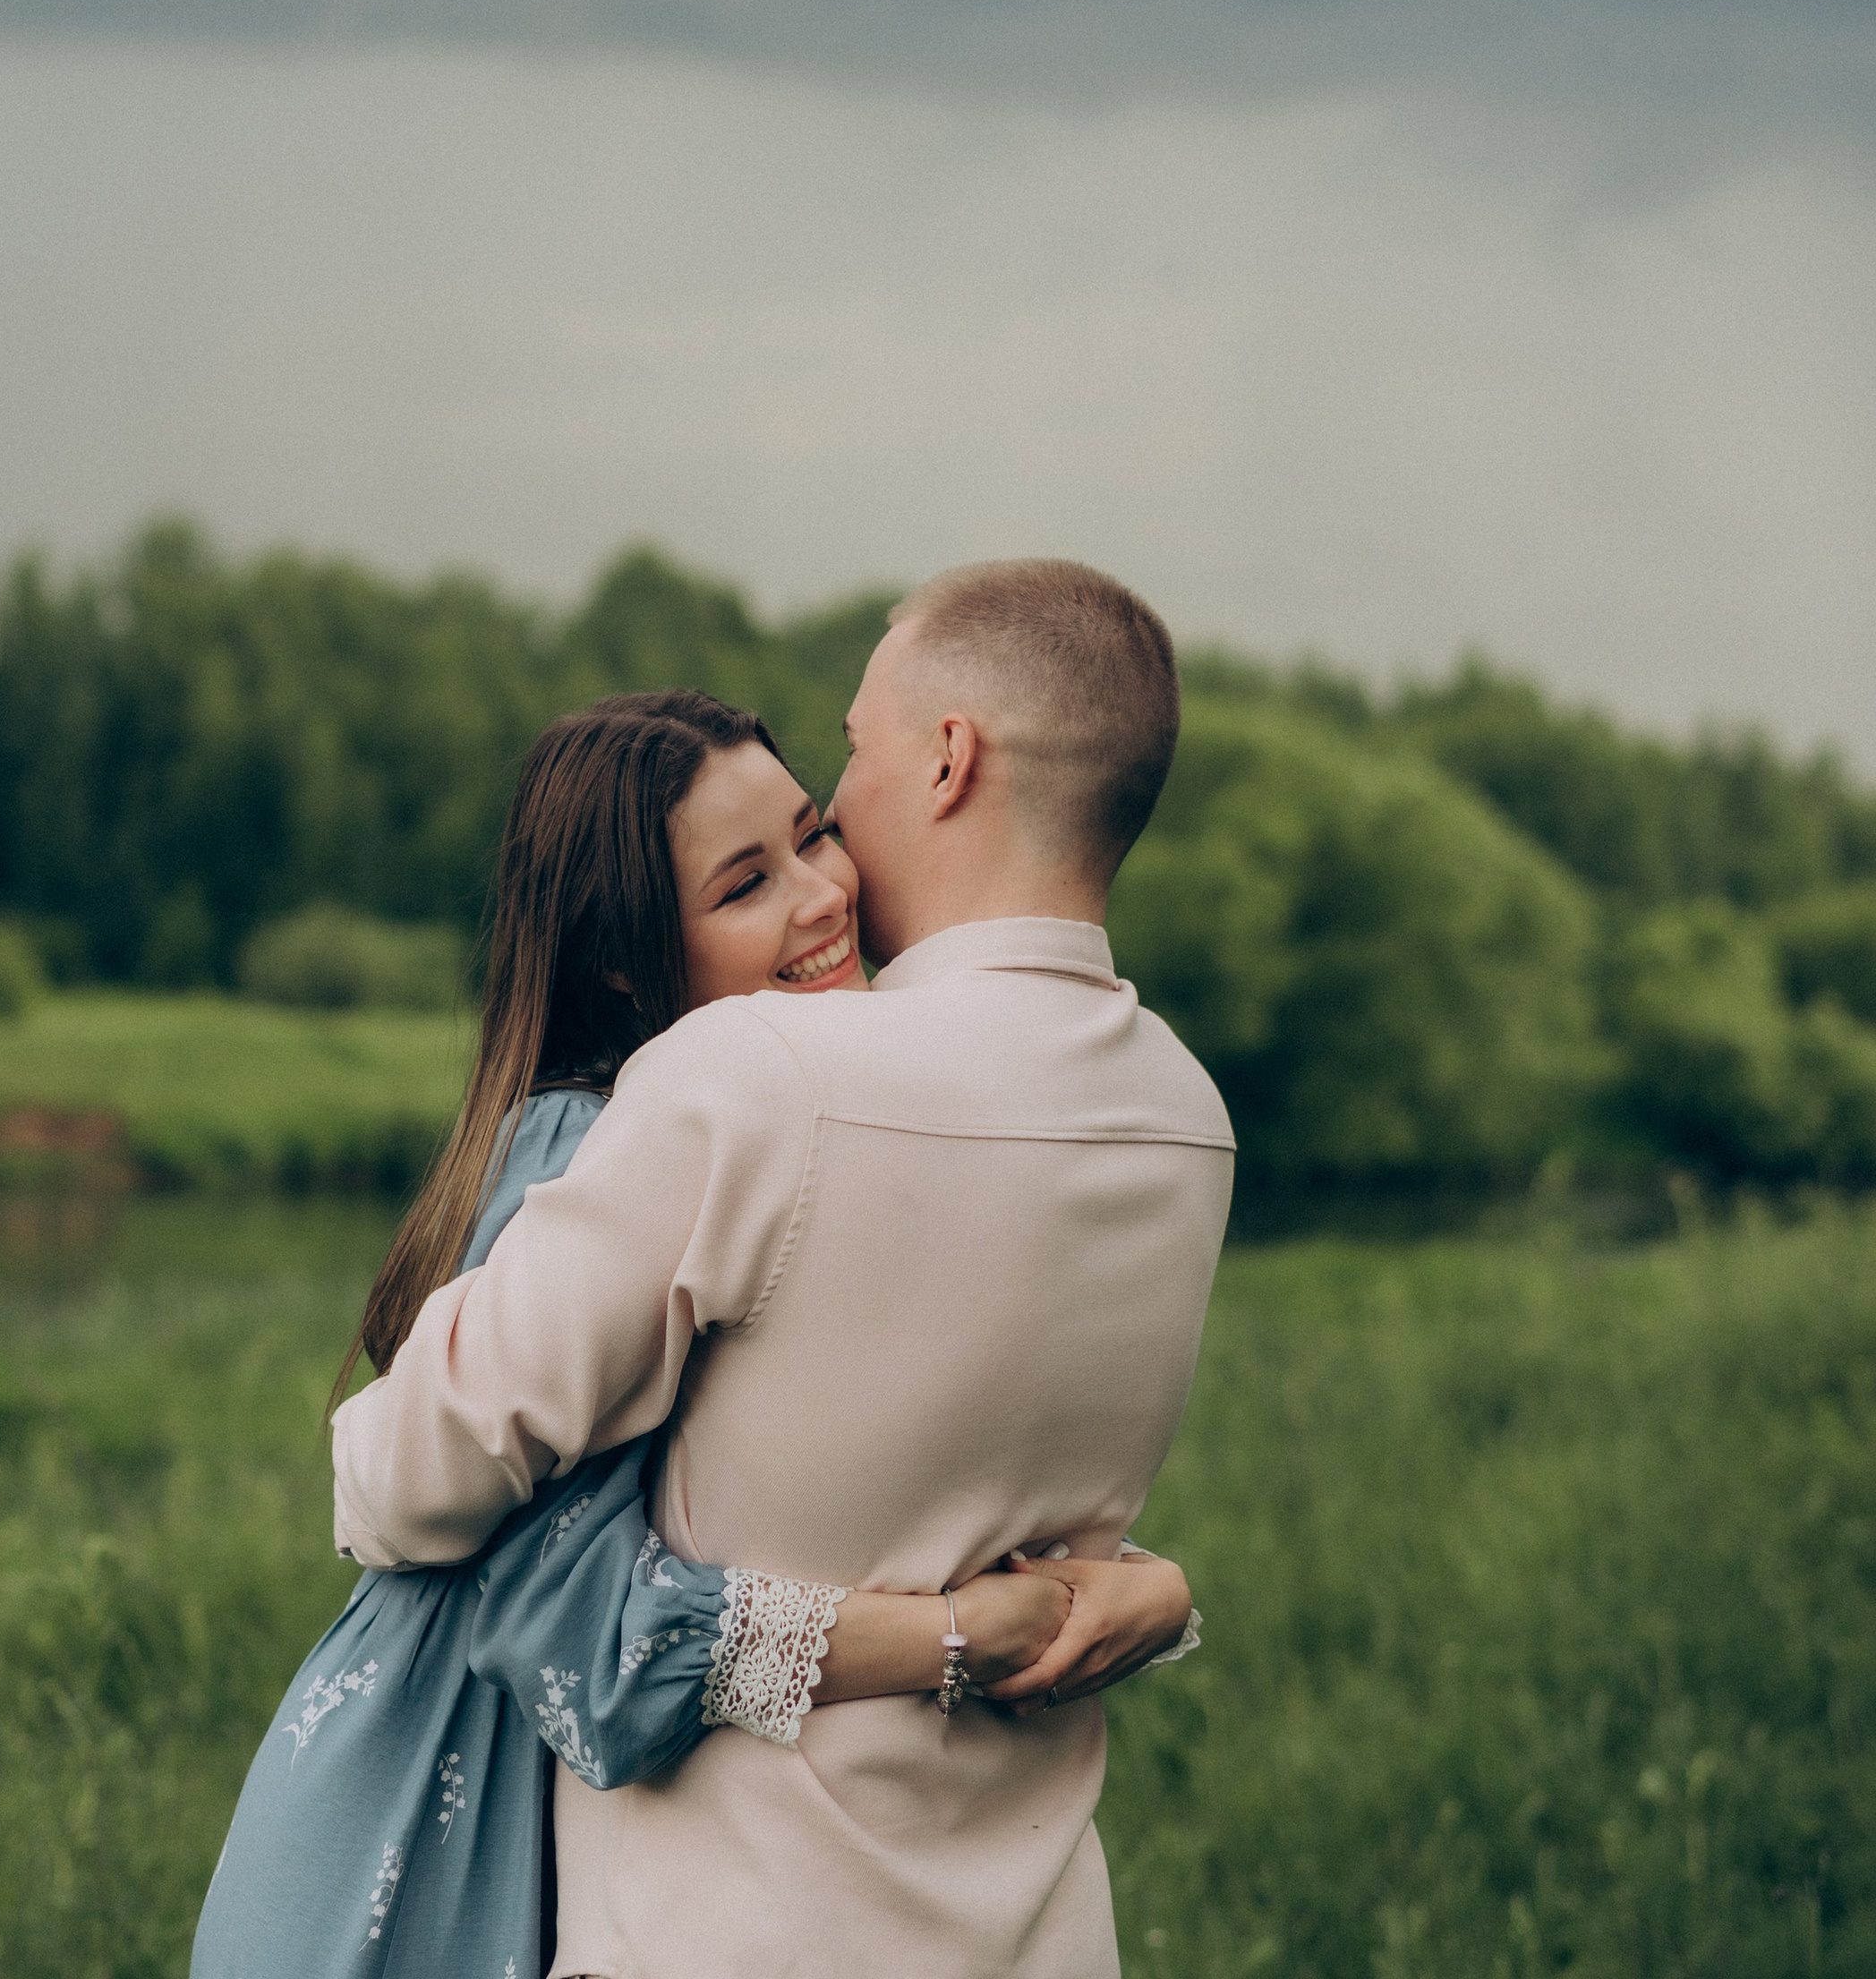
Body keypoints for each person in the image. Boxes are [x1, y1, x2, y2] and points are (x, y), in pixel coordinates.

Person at [192, 690, 1187, 1979]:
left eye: (812, 832)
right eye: (743, 885)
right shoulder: (616, 1135)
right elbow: (576, 1622)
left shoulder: (811, 1117)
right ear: (626, 962)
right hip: (445, 1803)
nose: (822, 894)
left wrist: (1150, 1589)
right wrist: (960, 1634)